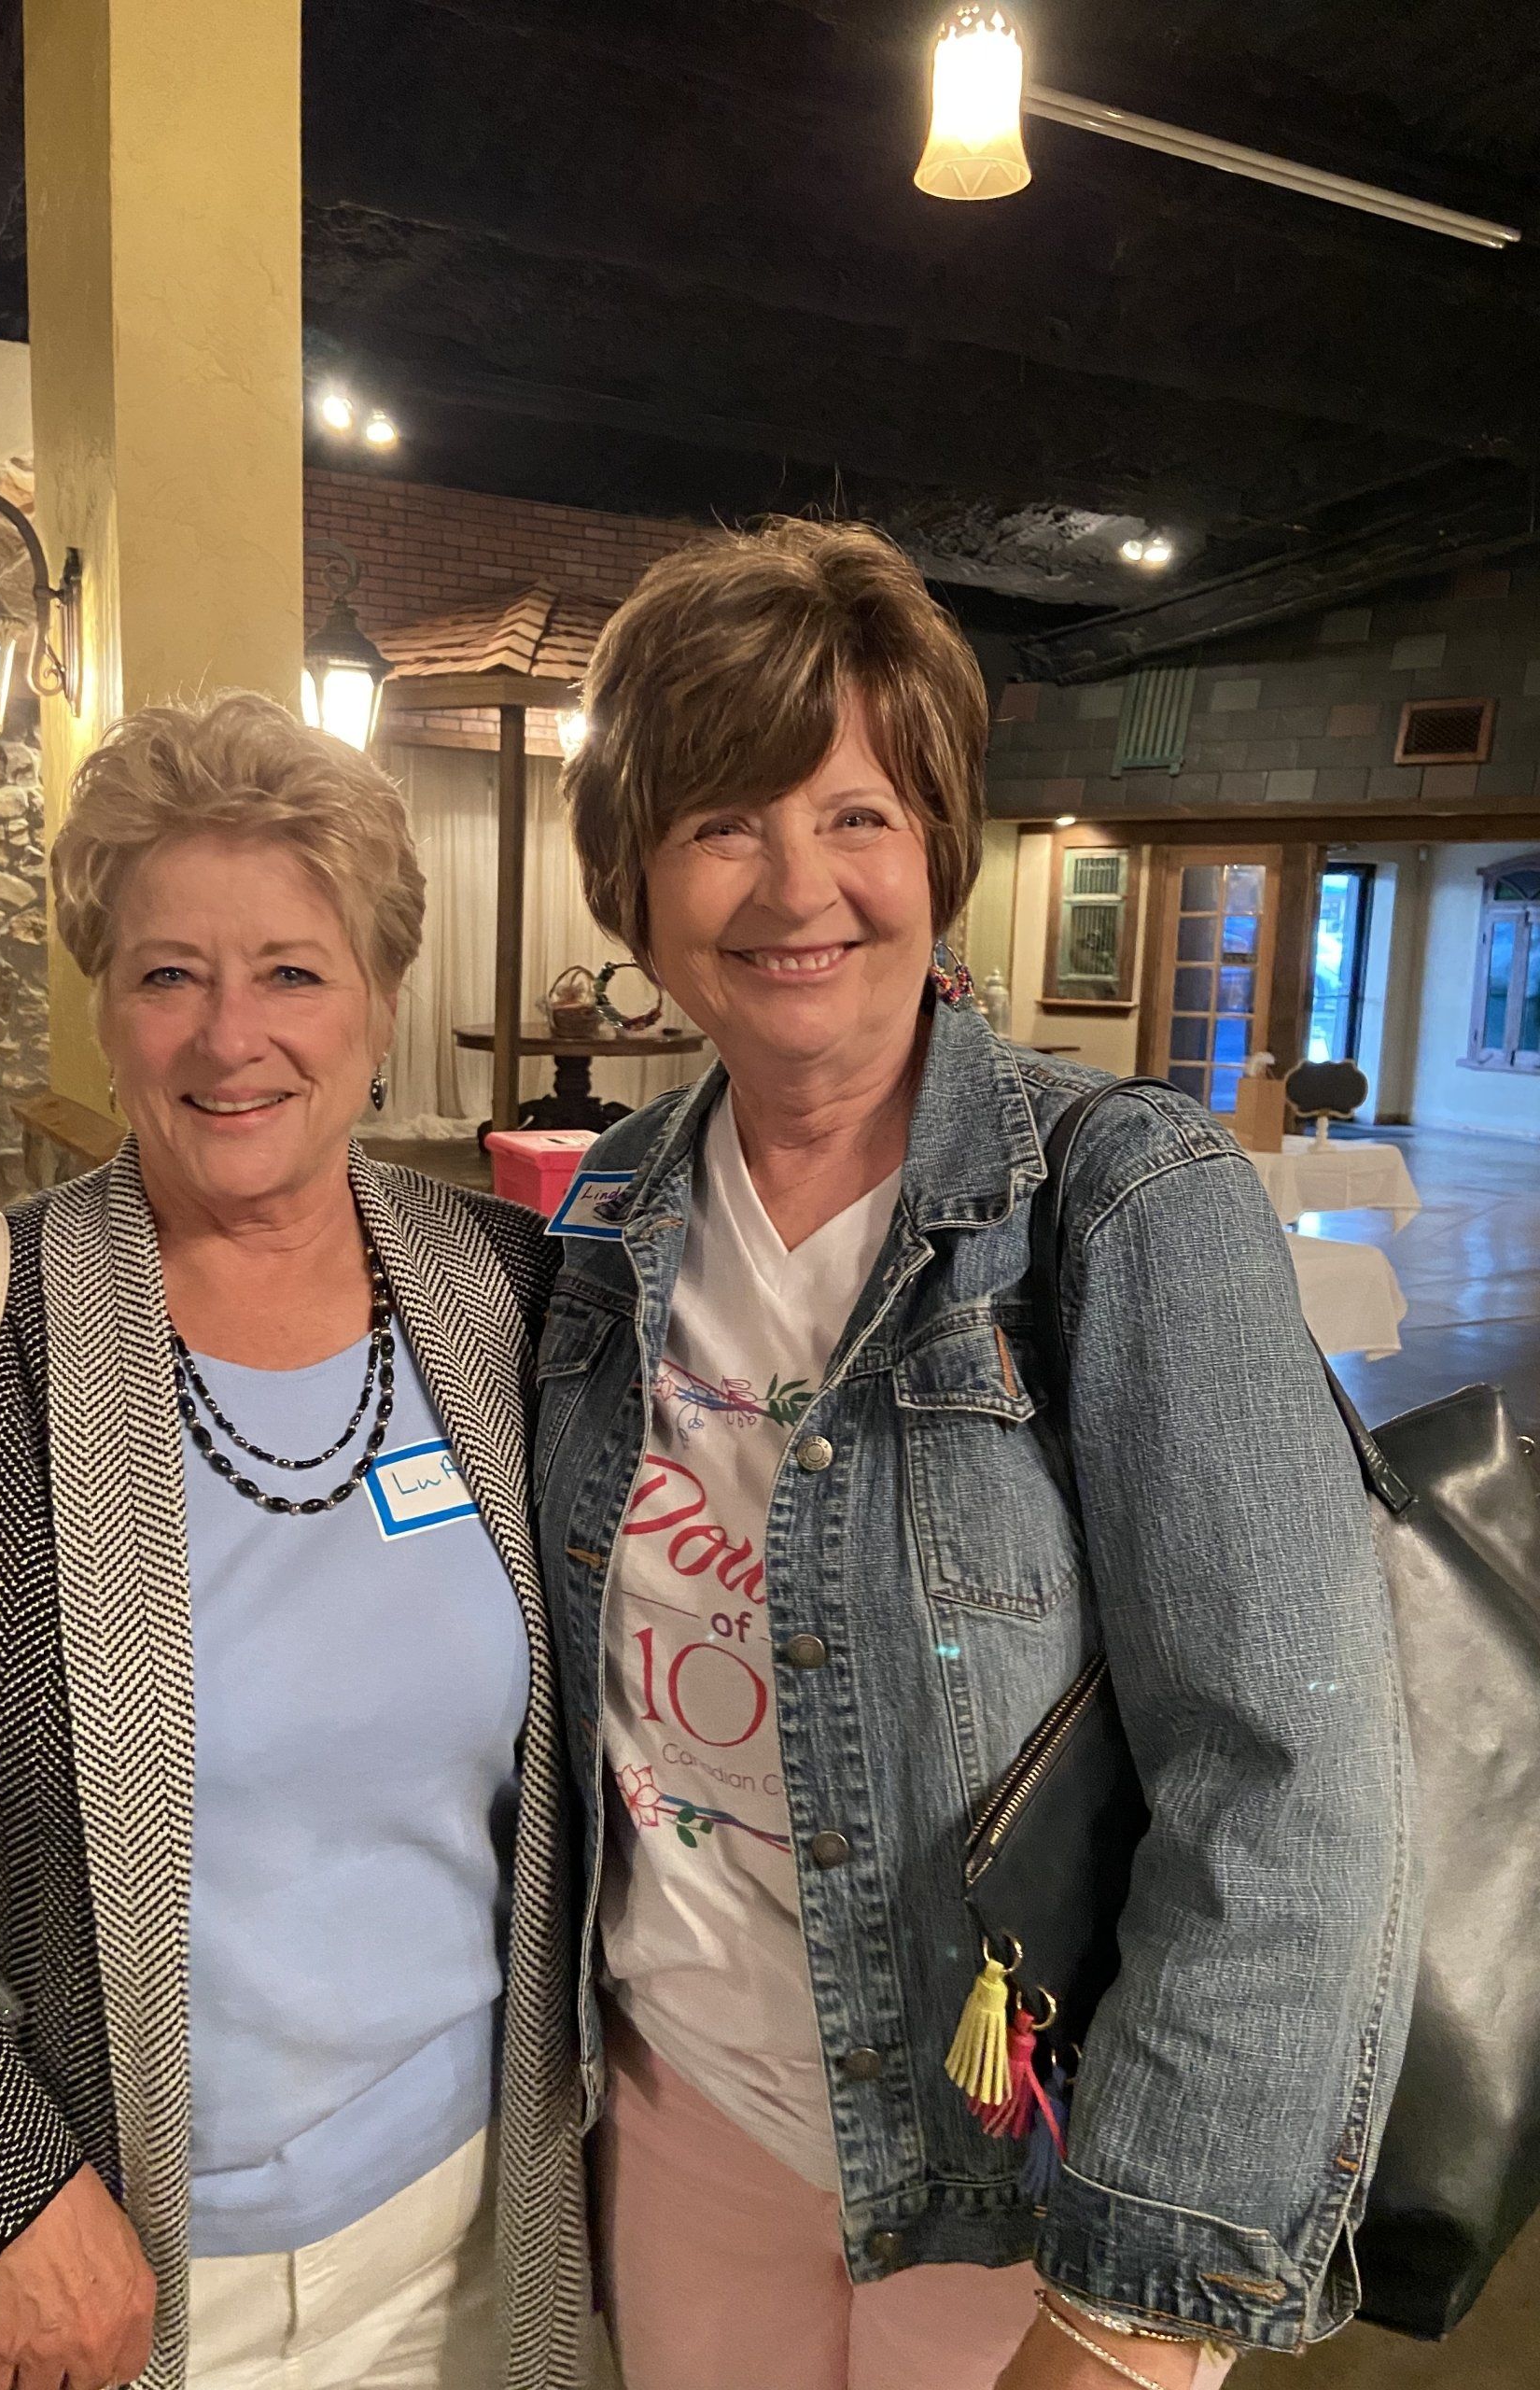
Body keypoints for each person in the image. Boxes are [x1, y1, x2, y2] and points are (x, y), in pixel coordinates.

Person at [539, 520, 1417, 2390]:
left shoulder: (1123, 1198)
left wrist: (1130, 2303)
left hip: (1016, 2178)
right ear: (633, 877)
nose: (799, 885)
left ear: (937, 839)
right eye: (720, 821)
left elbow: (1293, 1775)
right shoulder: (613, 1218)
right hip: (683, 2116)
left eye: (854, 812)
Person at [0, 693, 588, 2390]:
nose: (230, 1039)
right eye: (166, 974)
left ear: (379, 1005)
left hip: (499, 2240)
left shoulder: (513, 1298)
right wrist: (6, 2194)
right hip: (118, 2280)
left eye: (291, 970)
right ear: (103, 1004)